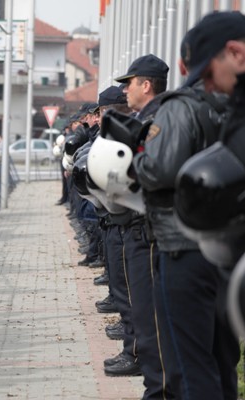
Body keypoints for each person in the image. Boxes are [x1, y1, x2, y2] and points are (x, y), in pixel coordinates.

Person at [146, 12, 245, 399]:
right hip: (222, 253)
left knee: (190, 367)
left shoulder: (182, 106)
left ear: (234, 53)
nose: (205, 85)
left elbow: (159, 169)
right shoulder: (229, 105)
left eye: (207, 73)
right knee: (220, 358)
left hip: (186, 245)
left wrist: (139, 160)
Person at [99, 54, 169, 394]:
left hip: (150, 228)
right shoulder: (147, 119)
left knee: (149, 316)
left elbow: (153, 173)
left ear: (146, 84)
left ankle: (156, 385)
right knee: (142, 310)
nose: (125, 89)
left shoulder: (160, 121)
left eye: (130, 82)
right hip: (137, 224)